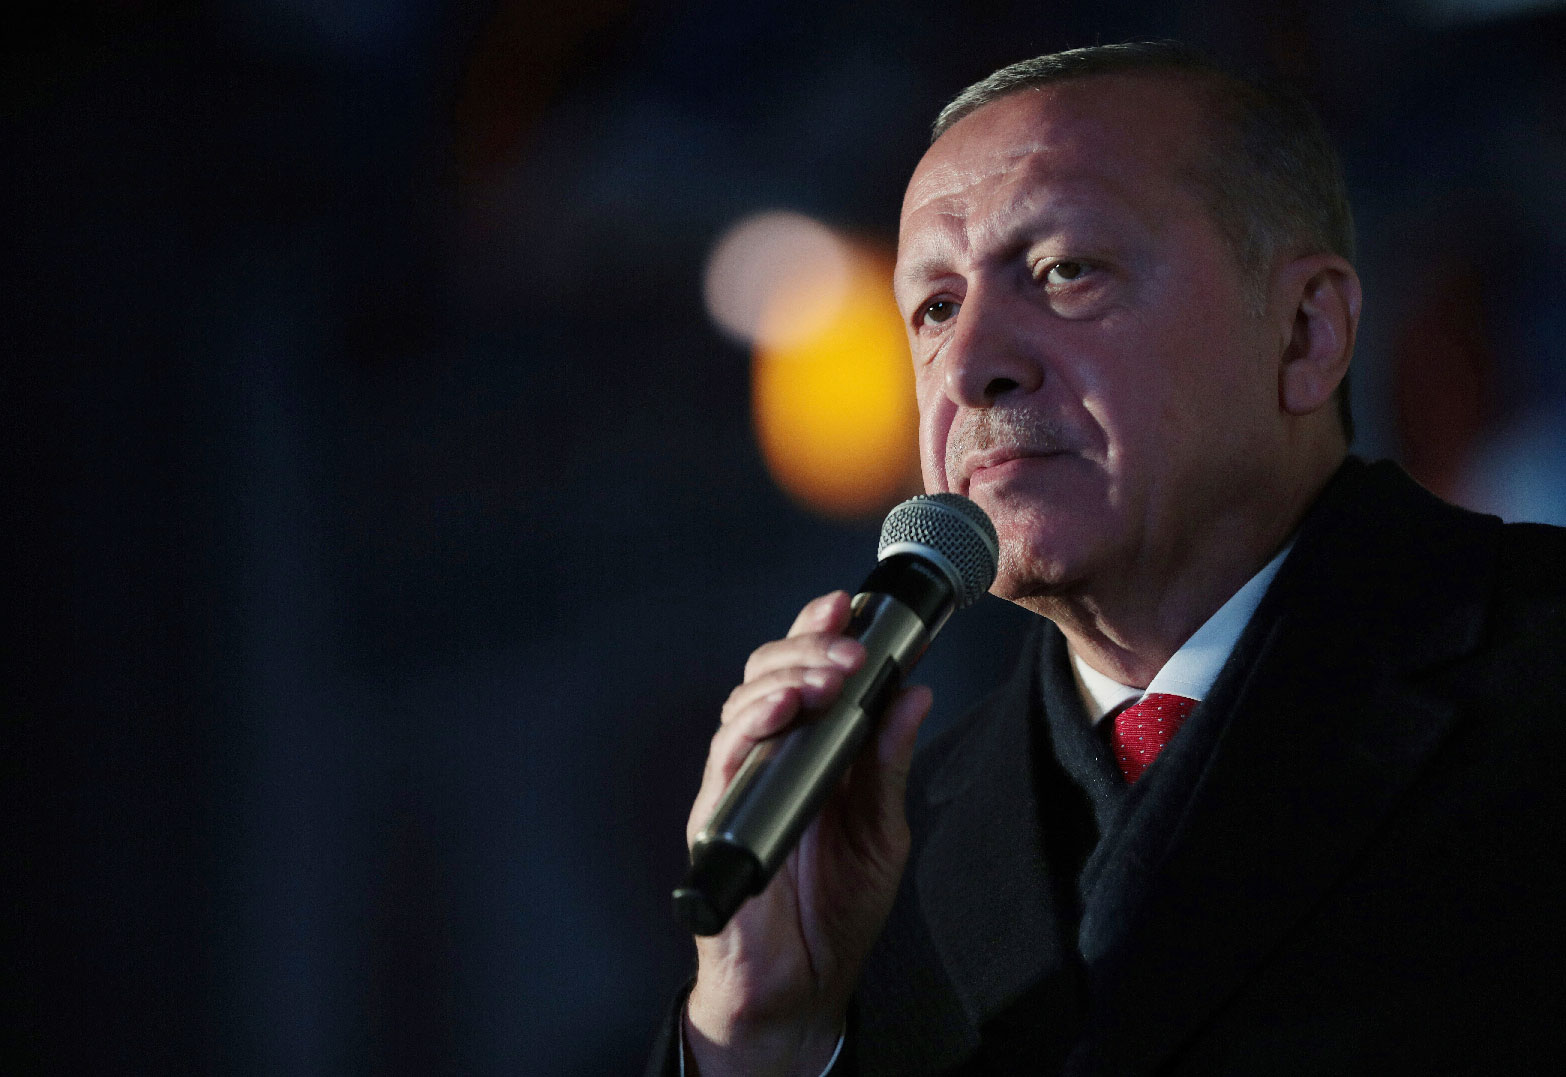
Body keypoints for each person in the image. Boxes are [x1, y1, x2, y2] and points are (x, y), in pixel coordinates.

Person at [649, 42, 1566, 1076]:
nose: (972, 365)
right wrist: (765, 1039)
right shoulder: (854, 861)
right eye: (935, 308)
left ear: (1308, 334)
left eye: (1065, 271)